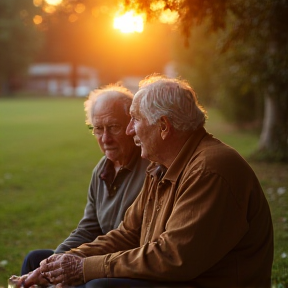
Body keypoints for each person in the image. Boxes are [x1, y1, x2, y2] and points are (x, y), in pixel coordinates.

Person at [18, 74, 274, 288]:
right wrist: (67, 259)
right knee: (41, 261)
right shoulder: (161, 166)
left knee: (99, 286)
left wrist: (86, 268)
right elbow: (128, 233)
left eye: (135, 120)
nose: (130, 130)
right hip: (174, 277)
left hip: (197, 281)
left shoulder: (210, 169)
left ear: (163, 126)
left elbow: (174, 257)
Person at [16, 84, 149, 283]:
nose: (105, 138)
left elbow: (134, 239)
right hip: (97, 255)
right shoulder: (101, 171)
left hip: (126, 263)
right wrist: (52, 262)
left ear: (131, 126)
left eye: (113, 127)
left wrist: (76, 264)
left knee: (94, 284)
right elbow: (88, 229)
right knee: (35, 260)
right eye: (98, 129)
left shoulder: (151, 169)